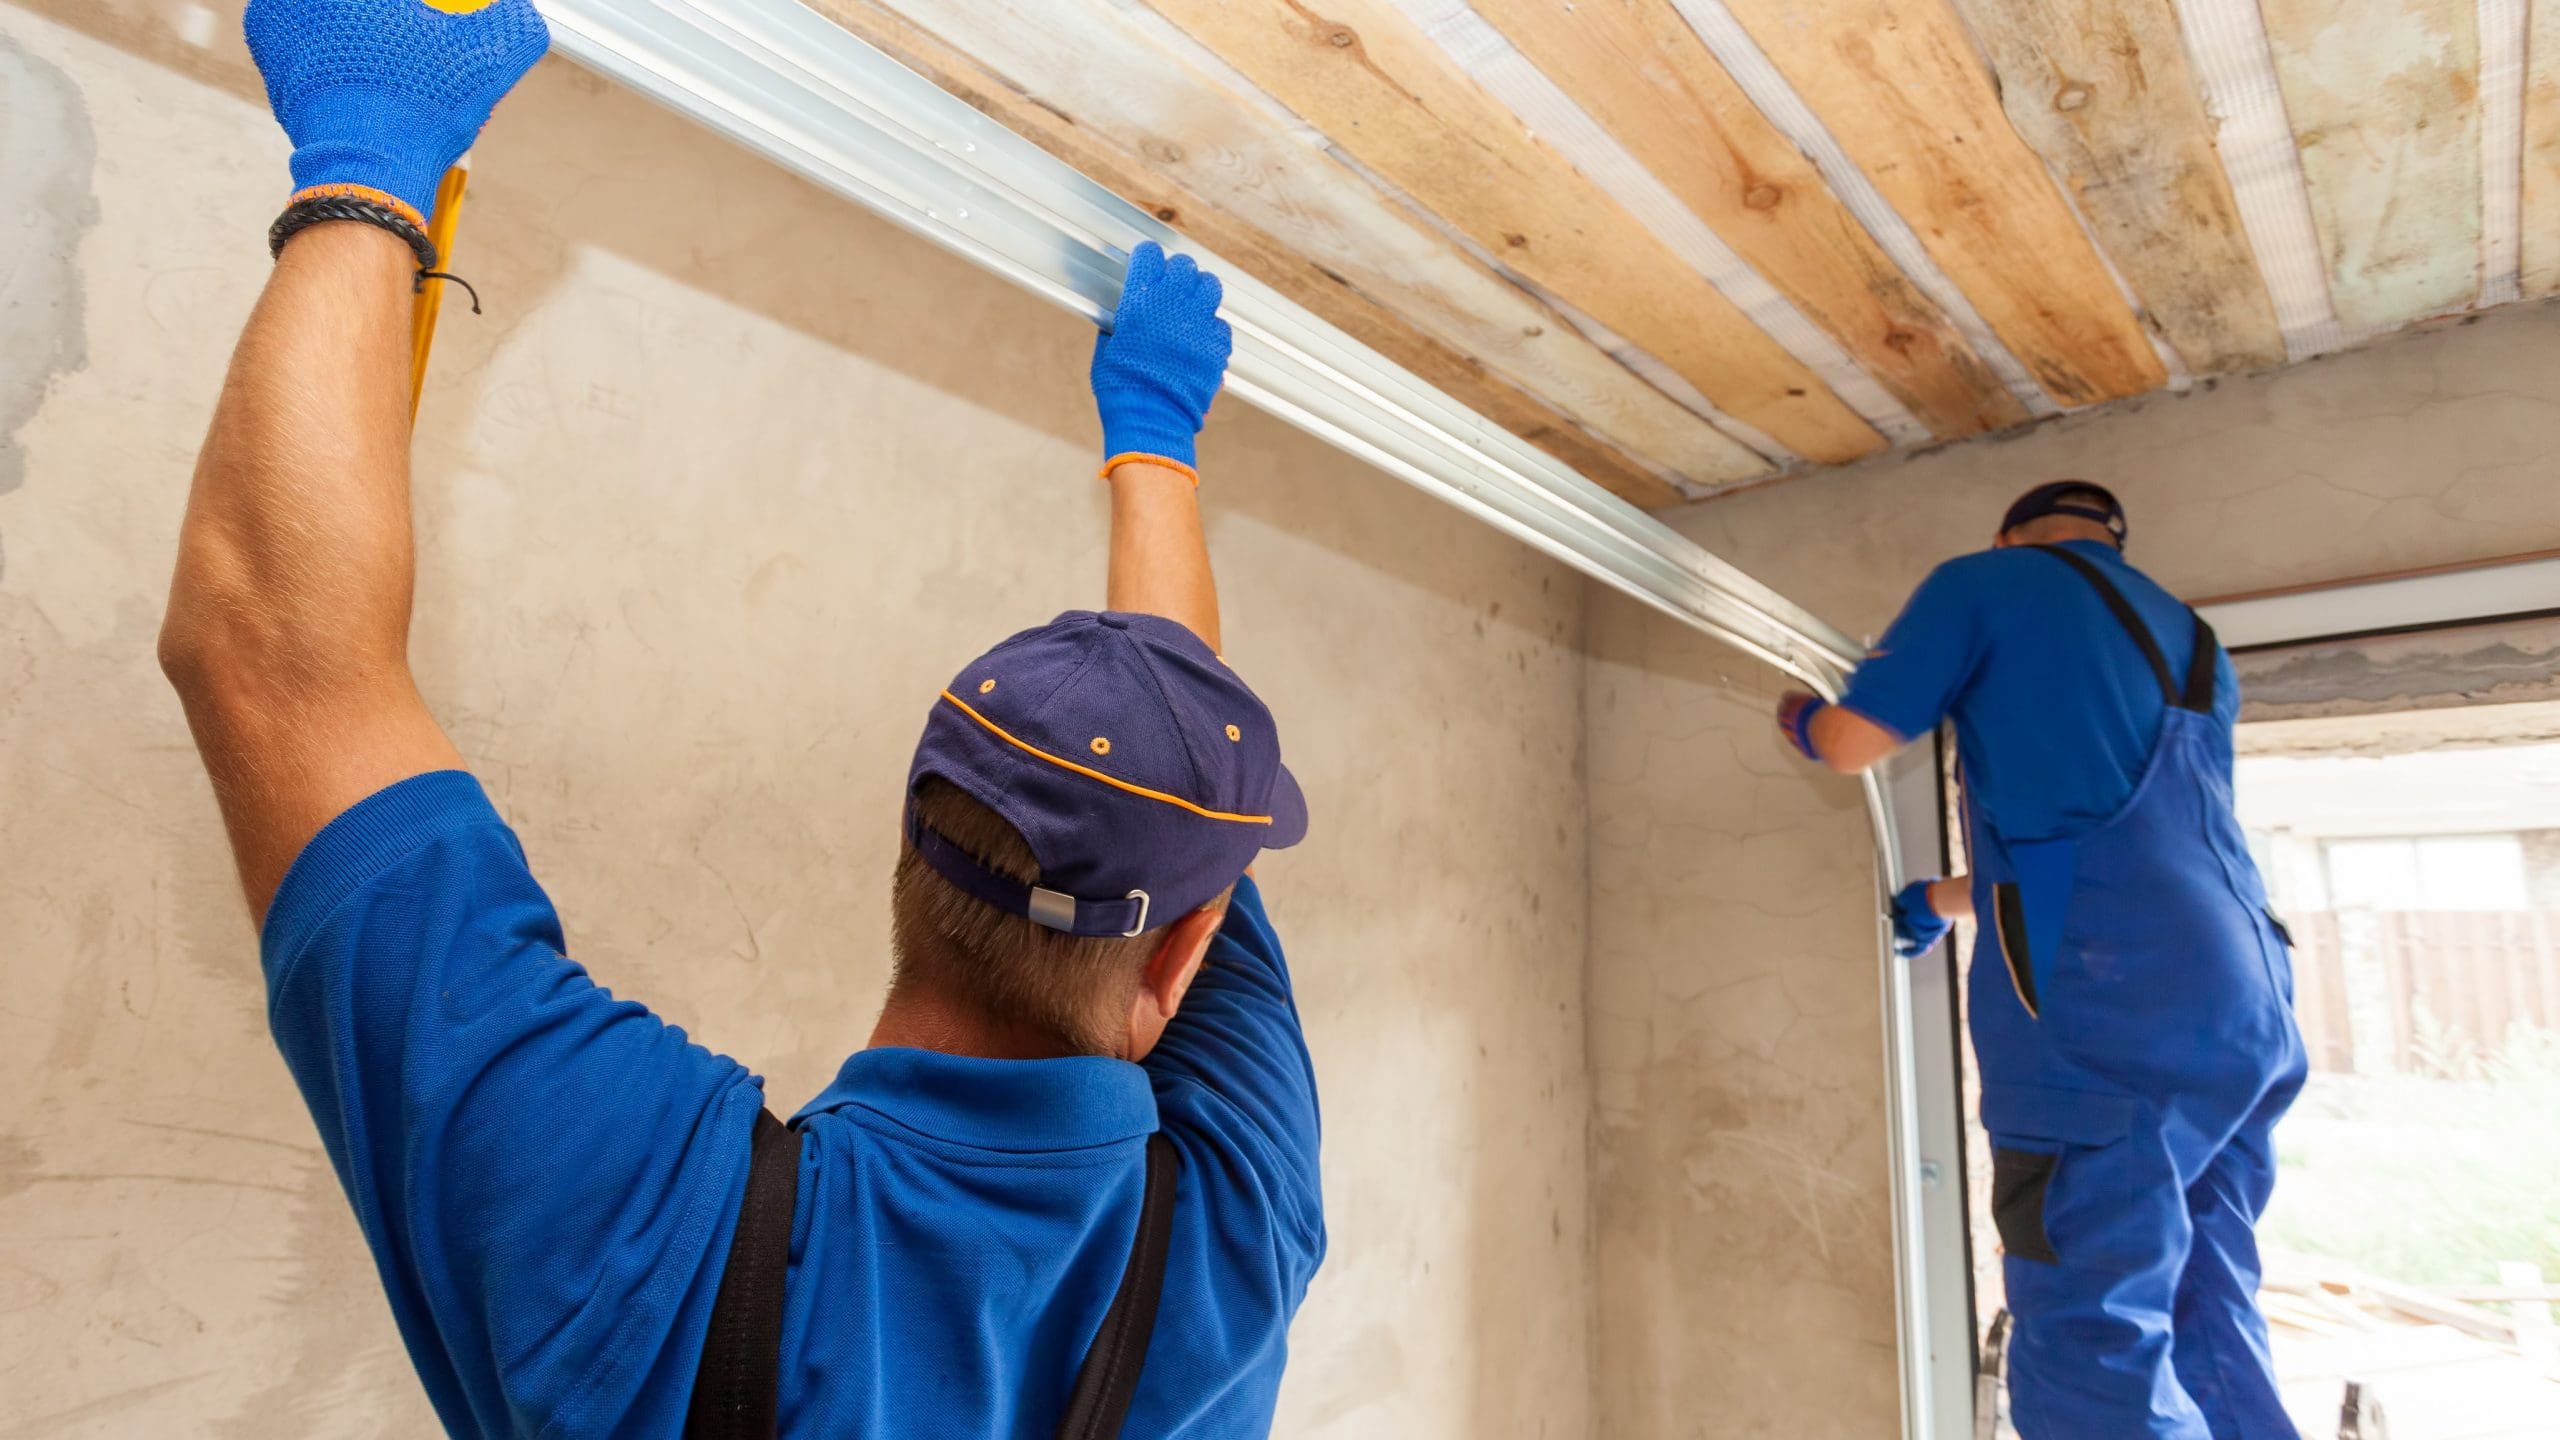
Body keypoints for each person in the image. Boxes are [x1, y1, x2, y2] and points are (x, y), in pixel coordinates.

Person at [159, 1, 1322, 1434]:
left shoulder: (652, 1240)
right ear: (1188, 950)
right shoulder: (1237, 1229)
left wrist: (372, 143)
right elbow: (266, 654)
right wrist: (1155, 438)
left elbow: (280, 658)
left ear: (908, 841)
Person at [1773, 482, 2306, 1439]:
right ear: (2116, 542)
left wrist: (1805, 719)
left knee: (2093, 1349)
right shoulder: (2190, 637)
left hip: (2112, 1034)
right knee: (2204, 1304)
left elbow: (1854, 744)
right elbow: (2111, 853)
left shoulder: (1984, 583)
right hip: (2245, 1001)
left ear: (2005, 535)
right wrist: (1939, 901)